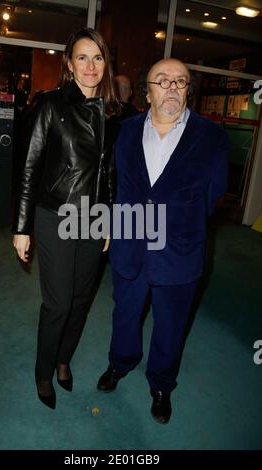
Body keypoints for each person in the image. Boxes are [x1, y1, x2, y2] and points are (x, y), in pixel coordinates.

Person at [97, 58, 228, 424]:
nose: (172, 87)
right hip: (130, 244)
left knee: (171, 324)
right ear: (147, 90)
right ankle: (119, 364)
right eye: (163, 80)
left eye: (181, 81)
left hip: (181, 251)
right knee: (125, 314)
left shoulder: (213, 136)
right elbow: (113, 183)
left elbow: (213, 194)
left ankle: (161, 385)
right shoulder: (123, 130)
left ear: (189, 90)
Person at [12, 28, 120, 410]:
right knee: (57, 303)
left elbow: (109, 174)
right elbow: (29, 167)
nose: (91, 66)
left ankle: (63, 359)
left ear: (106, 64)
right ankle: (43, 370)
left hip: (92, 220)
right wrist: (22, 226)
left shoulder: (112, 112)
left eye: (98, 57)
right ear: (69, 64)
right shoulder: (50, 105)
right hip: (56, 214)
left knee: (79, 300)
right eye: (82, 57)